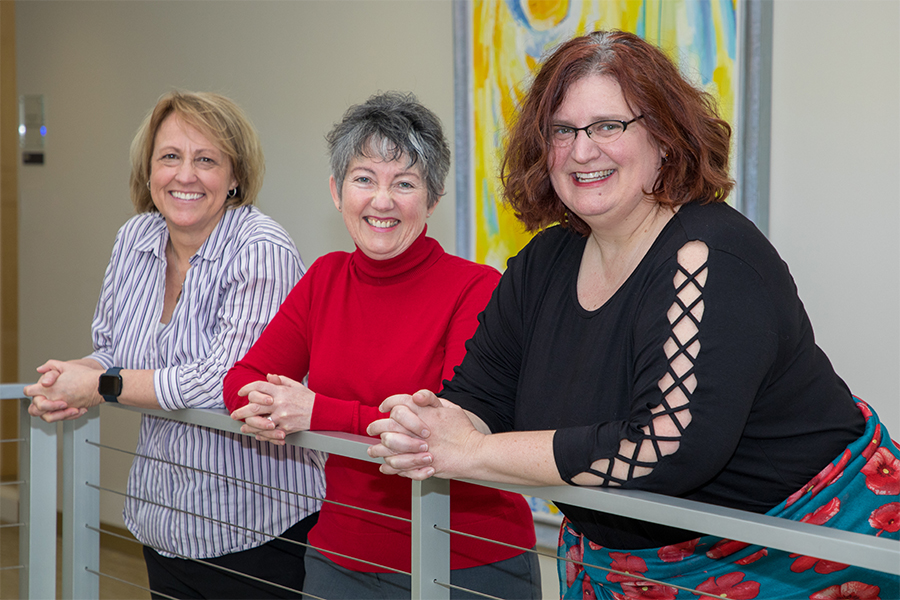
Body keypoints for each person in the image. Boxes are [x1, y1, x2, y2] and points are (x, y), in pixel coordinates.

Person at [367, 31, 900, 599]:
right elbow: (481, 398)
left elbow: (664, 450)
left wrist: (471, 452)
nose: (582, 150)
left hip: (802, 555)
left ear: (665, 139)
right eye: (562, 130)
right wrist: (428, 428)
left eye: (608, 126)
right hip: (618, 566)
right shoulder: (542, 263)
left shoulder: (711, 255)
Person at [224, 91, 541, 599]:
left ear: (433, 198)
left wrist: (315, 412)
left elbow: (440, 430)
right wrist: (266, 406)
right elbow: (242, 381)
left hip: (466, 560)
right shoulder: (323, 278)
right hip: (339, 557)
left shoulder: (476, 289)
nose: (382, 200)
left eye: (405, 183)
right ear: (337, 190)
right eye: (364, 179)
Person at [25, 91, 326, 599]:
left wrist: (101, 385)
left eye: (206, 160)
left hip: (258, 527)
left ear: (235, 177)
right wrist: (71, 378)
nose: (185, 175)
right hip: (166, 517)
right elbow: (112, 347)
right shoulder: (135, 238)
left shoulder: (261, 248)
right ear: (148, 171)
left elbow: (226, 383)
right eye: (170, 157)